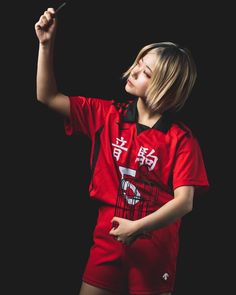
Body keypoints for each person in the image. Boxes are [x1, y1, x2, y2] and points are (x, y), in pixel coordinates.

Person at [34, 6, 209, 295]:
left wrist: (137, 227)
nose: (134, 71)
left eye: (146, 73)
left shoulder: (181, 139)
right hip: (108, 238)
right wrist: (45, 44)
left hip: (156, 248)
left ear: (165, 86)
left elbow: (184, 202)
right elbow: (47, 96)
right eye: (138, 64)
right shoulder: (106, 115)